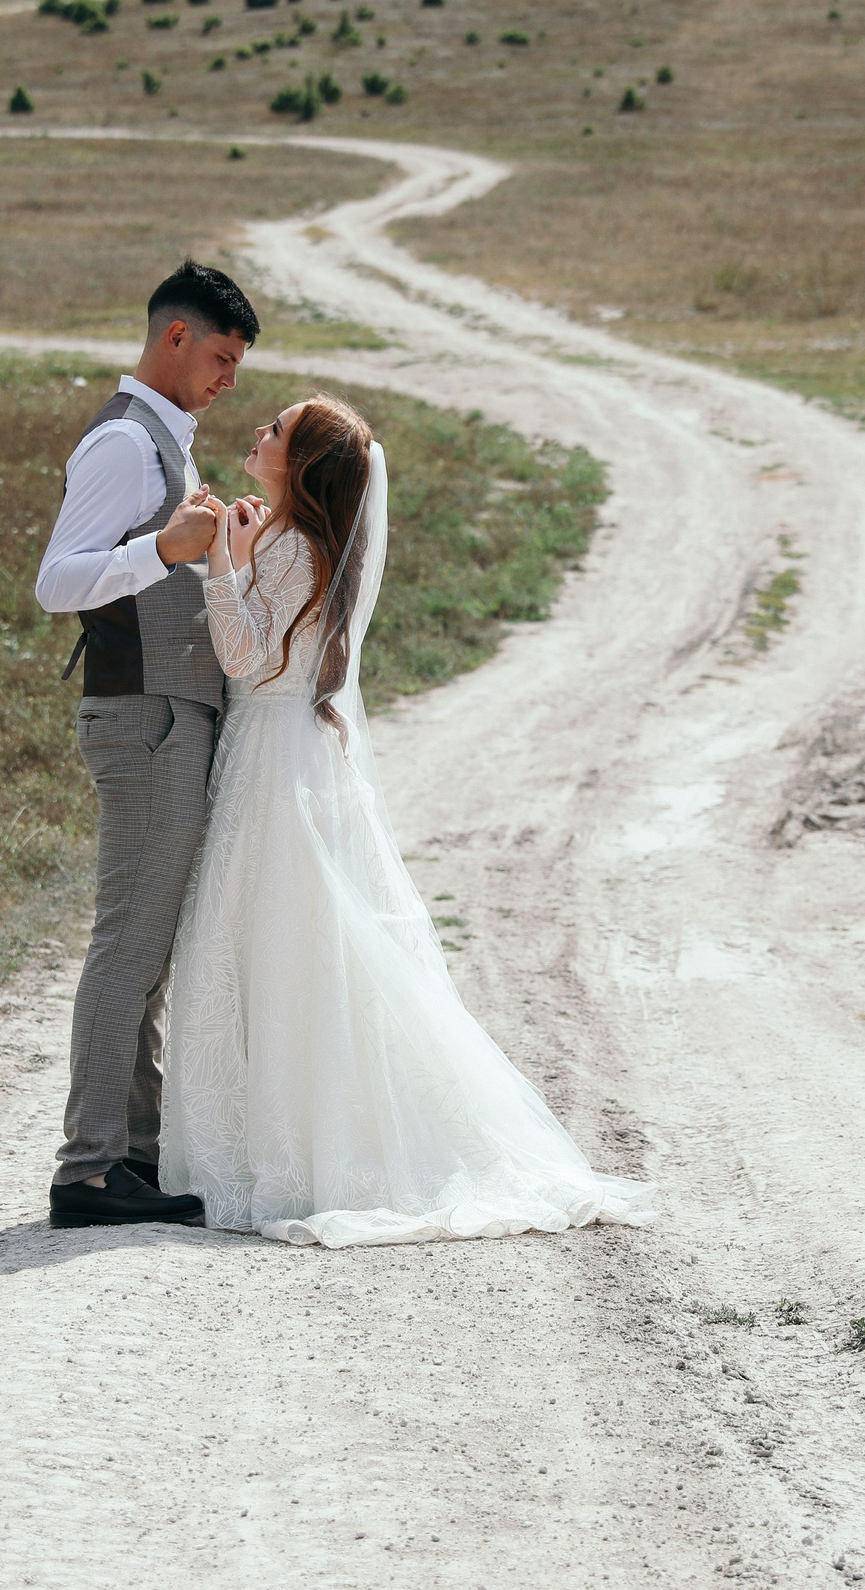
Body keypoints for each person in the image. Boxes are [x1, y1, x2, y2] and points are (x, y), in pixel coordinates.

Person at [158, 394, 658, 1247]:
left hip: (278, 765)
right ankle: (248, 1142)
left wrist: (223, 563)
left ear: (302, 465)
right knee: (264, 944)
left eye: (274, 430)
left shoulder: (303, 551)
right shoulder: (284, 537)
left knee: (289, 946)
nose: (258, 432)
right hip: (269, 754)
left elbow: (245, 657)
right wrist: (241, 550)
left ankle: (301, 1152)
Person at [33, 261, 256, 1229]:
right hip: (145, 719)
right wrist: (161, 553)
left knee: (144, 951)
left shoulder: (168, 444)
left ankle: (130, 1157)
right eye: (219, 356)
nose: (229, 379)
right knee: (129, 947)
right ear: (173, 339)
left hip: (171, 715)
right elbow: (55, 583)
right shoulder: (126, 446)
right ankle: (87, 1171)